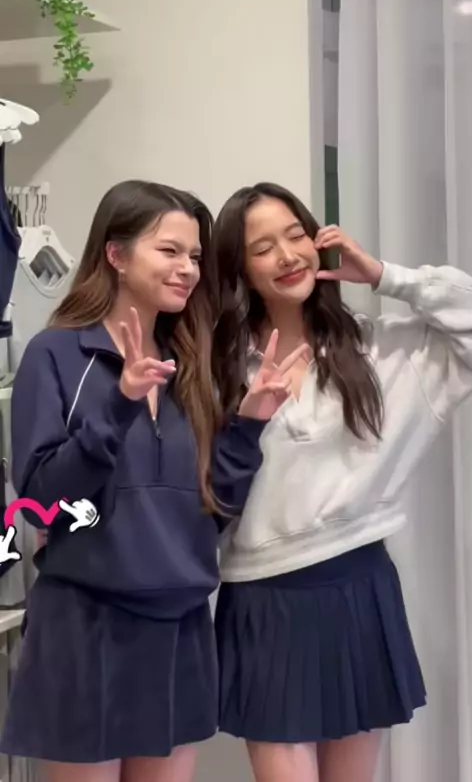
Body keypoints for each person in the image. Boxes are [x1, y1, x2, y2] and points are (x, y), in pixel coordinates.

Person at [0, 180, 306, 782]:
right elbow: (40, 502)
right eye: (169, 251)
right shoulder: (55, 355)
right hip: (85, 626)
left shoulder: (193, 363)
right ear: (115, 254)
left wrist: (248, 426)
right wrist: (117, 406)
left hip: (181, 625)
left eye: (194, 255)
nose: (188, 268)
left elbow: (213, 509)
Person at [212, 181, 472, 782]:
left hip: (359, 587)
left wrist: (387, 276)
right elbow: (206, 495)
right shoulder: (219, 365)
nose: (288, 255)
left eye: (296, 235)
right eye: (263, 248)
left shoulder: (381, 350)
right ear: (240, 268)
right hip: (263, 598)